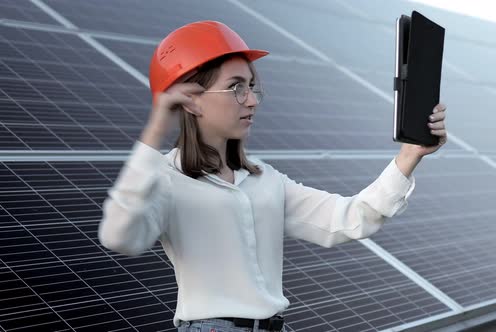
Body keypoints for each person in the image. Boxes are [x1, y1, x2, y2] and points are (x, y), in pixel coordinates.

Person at [98, 21, 447, 332]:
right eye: (236, 87)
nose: (251, 100)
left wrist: (409, 155)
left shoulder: (266, 179)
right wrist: (157, 126)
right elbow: (119, 236)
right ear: (190, 100)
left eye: (252, 85)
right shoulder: (163, 177)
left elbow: (350, 219)